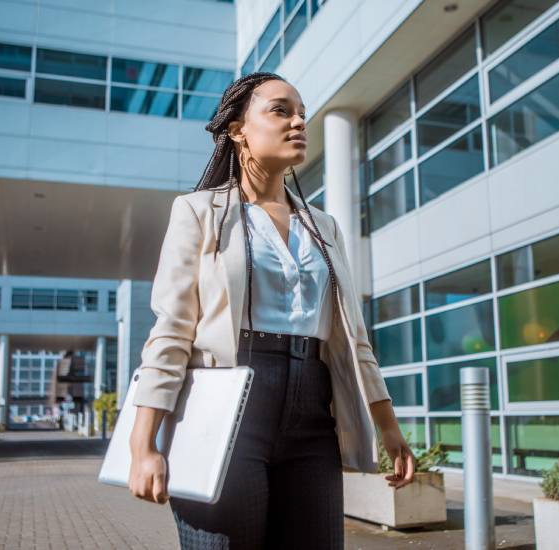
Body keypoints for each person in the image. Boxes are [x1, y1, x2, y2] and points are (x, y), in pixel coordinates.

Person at [127, 71, 416, 549]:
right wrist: (144, 445)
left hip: (313, 414)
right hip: (227, 406)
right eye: (281, 110)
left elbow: (354, 338)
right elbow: (172, 331)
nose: (298, 121)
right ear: (238, 129)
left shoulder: (323, 227)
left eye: (302, 112)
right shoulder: (199, 212)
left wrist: (388, 428)